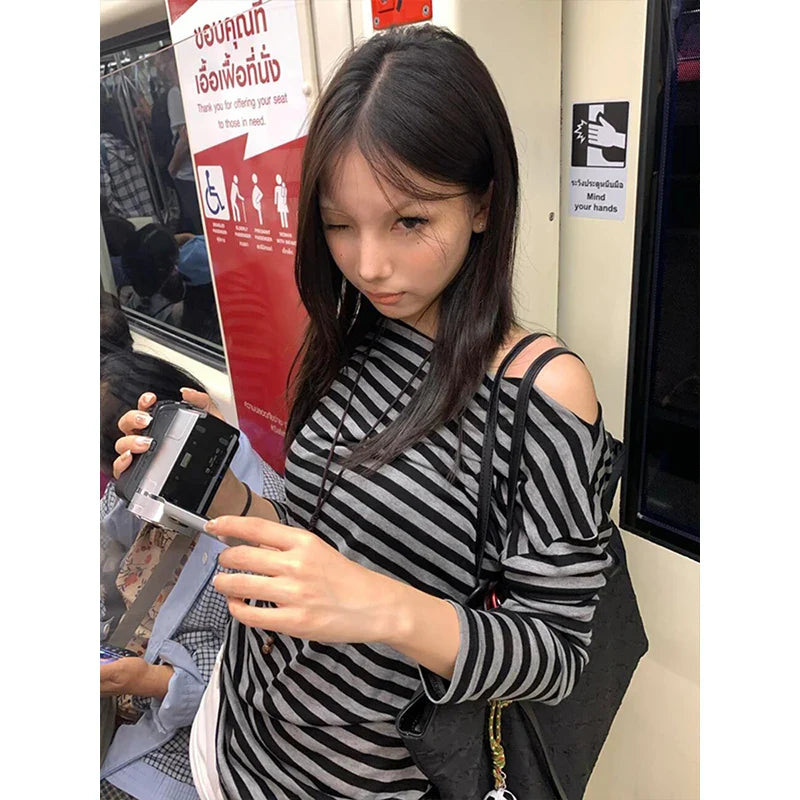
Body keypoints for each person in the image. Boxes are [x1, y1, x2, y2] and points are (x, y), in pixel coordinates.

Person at [113, 25, 622, 800]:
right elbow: (320, 536)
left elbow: (555, 657)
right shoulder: (351, 338)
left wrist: (381, 606)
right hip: (238, 736)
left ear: (483, 205)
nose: (370, 264)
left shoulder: (541, 392)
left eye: (408, 222)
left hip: (368, 778)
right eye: (339, 224)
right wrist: (222, 491)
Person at [100, 350, 285, 800]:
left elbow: (248, 673)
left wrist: (150, 681)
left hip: (182, 736)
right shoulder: (136, 480)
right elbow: (104, 552)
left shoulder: (267, 521)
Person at [101, 96, 158, 219]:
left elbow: (104, 197)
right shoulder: (128, 142)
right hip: (149, 216)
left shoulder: (102, 150)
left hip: (126, 224)